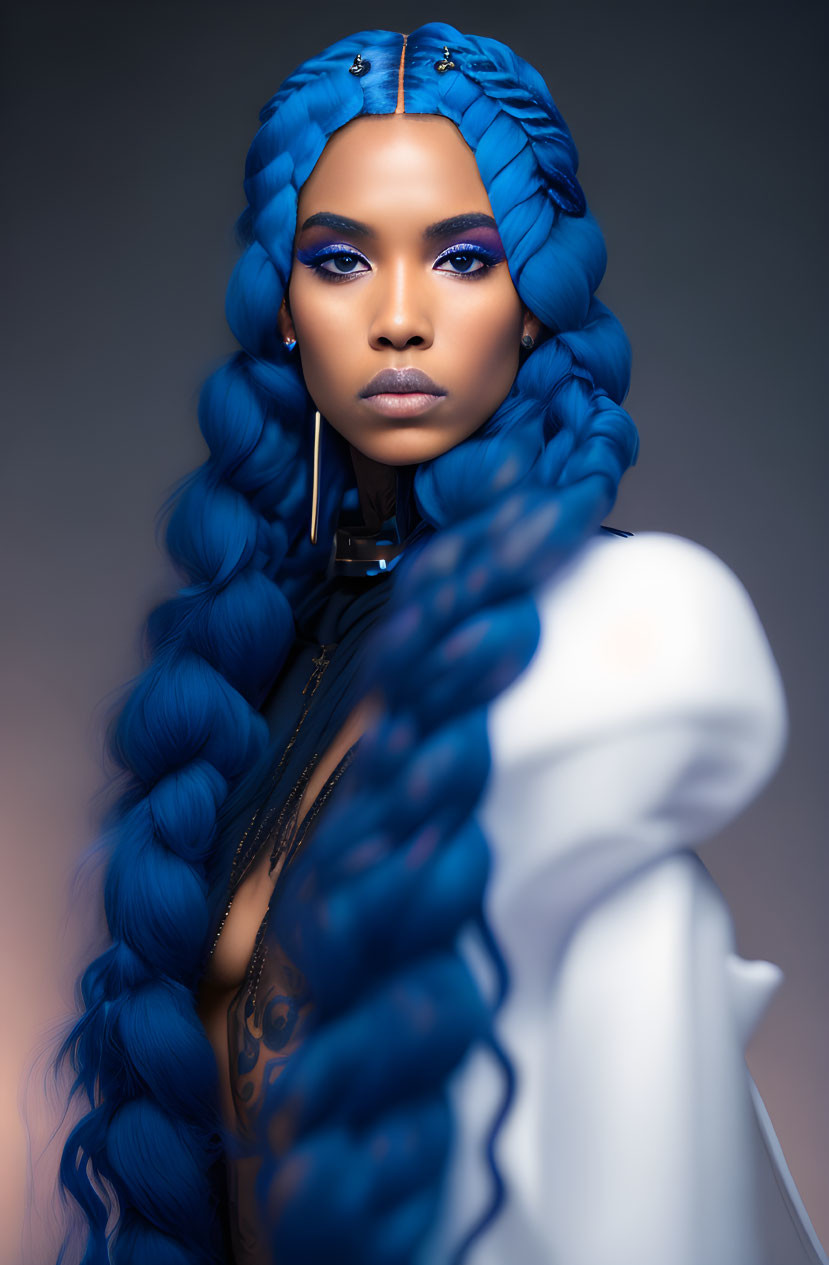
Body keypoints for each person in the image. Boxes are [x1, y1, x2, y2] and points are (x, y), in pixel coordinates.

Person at [49, 21, 827, 1265]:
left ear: (533, 306)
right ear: (284, 311)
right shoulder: (263, 660)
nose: (400, 318)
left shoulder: (603, 638)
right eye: (341, 260)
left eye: (463, 259)